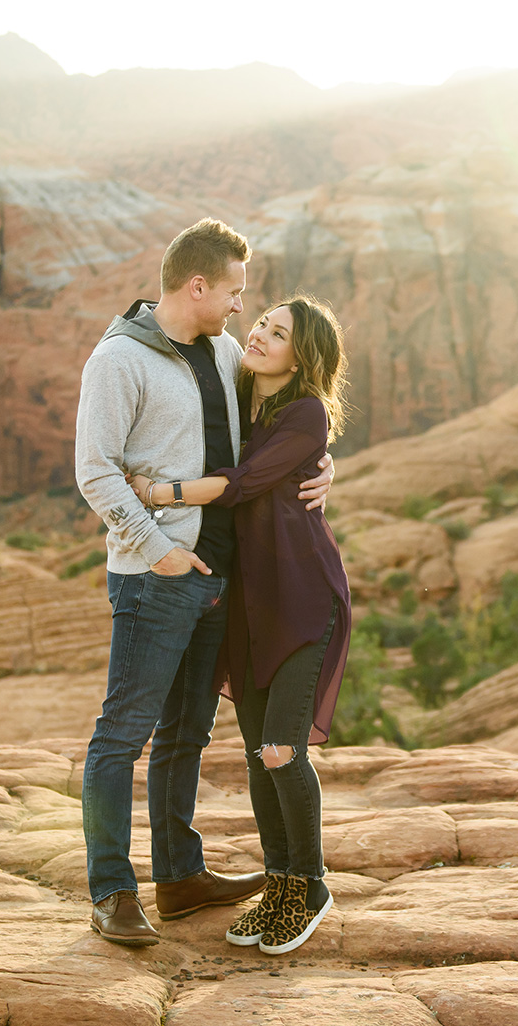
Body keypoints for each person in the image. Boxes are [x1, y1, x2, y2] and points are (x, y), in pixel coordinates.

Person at [74, 219, 334, 946]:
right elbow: (95, 473)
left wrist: (324, 467)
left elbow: (283, 428)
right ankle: (111, 890)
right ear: (197, 286)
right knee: (121, 736)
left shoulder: (223, 353)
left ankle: (180, 876)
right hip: (158, 576)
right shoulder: (118, 360)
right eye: (232, 292)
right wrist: (157, 548)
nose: (239, 309)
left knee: (186, 732)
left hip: (221, 576)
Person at [126, 294, 352, 956]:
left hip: (303, 597)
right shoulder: (239, 387)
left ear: (302, 354)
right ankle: (279, 883)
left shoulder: (305, 409)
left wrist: (158, 492)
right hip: (248, 604)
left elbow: (245, 479)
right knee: (259, 755)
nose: (258, 333)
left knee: (283, 747)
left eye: (277, 333)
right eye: (261, 322)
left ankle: (309, 884)